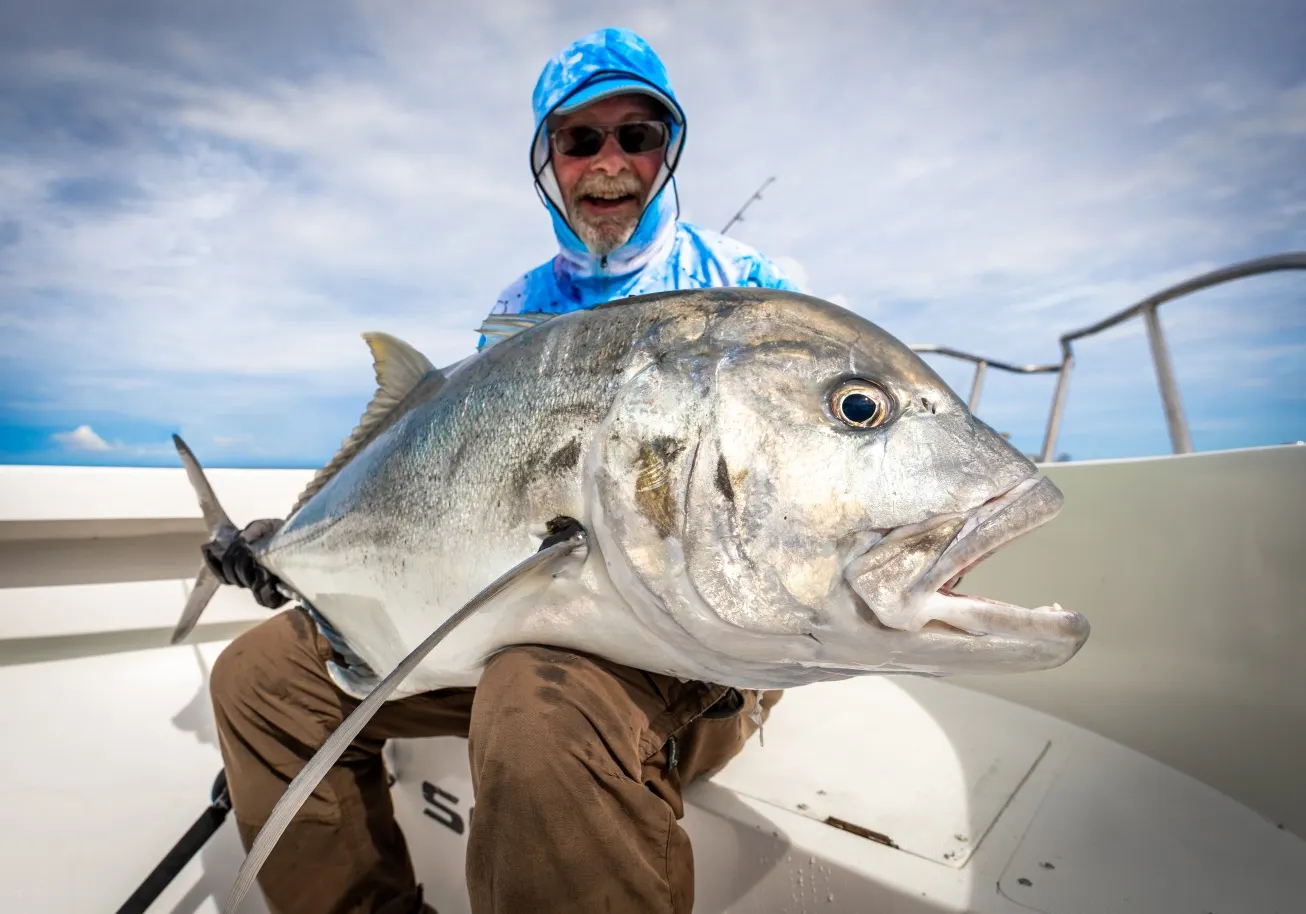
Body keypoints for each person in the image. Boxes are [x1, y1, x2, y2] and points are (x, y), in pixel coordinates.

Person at [207, 27, 799, 914]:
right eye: (580, 138)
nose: (610, 162)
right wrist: (293, 551)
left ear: (666, 150)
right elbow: (452, 484)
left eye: (637, 136)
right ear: (546, 157)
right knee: (259, 680)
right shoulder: (518, 311)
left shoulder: (748, 287)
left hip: (690, 653)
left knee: (531, 701)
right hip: (523, 619)